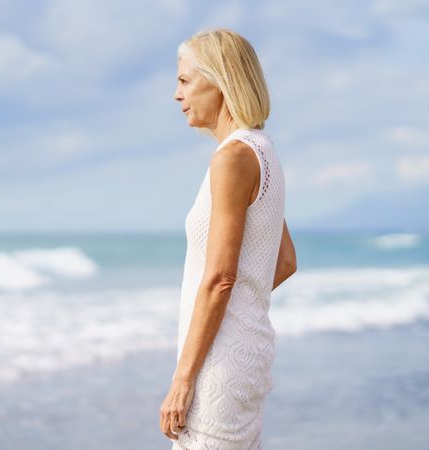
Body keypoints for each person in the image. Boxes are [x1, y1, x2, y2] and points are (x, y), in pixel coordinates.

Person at [159, 28, 297, 449]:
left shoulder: (233, 158)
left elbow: (220, 277)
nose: (176, 94)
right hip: (245, 351)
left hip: (219, 364)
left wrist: (182, 381)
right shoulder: (261, 150)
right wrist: (240, 309)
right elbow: (284, 260)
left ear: (220, 81)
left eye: (185, 80)